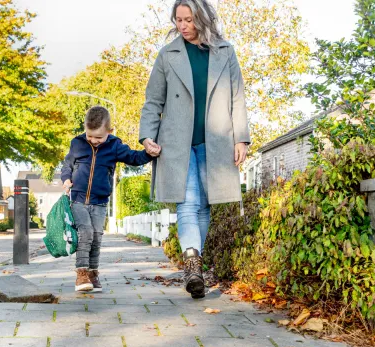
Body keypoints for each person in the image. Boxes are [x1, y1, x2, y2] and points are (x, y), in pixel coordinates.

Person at [139, 0, 251, 299]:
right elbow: (153, 101)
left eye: (189, 19)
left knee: (205, 205)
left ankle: (194, 265)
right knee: (187, 203)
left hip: (216, 140)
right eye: (179, 20)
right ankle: (192, 264)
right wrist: (147, 136)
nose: (183, 26)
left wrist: (241, 138)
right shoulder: (168, 54)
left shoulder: (225, 52)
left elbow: (237, 98)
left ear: (202, 19)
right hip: (176, 141)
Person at [62, 106, 155, 293]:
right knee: (85, 233)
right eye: (90, 136)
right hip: (78, 199)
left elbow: (133, 157)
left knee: (96, 236)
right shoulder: (77, 143)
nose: (94, 141)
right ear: (85, 128)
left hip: (100, 201)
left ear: (109, 132)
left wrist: (148, 153)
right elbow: (67, 164)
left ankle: (93, 274)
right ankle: (81, 273)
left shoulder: (114, 146)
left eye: (98, 137)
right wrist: (65, 178)